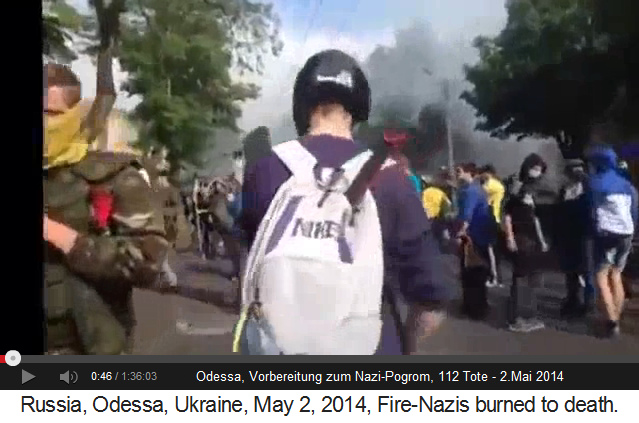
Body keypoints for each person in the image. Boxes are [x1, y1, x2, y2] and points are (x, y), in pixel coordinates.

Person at [240, 49, 449, 355]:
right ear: (359, 107)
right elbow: (430, 303)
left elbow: (251, 258)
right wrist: (408, 346)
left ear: (302, 105)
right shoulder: (392, 178)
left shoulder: (265, 170)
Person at [44, 50, 170, 355]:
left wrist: (64, 238)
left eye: (50, 114)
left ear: (75, 118)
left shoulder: (112, 176)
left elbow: (149, 262)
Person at [585, 139, 638, 338]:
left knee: (600, 275)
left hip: (607, 234)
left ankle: (611, 321)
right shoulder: (626, 184)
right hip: (627, 232)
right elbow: (634, 210)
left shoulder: (595, 182)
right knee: (616, 274)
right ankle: (615, 316)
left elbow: (591, 210)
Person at [502, 154, 550, 332]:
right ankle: (516, 319)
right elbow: (507, 214)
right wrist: (510, 237)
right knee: (520, 277)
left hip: (531, 240)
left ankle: (525, 316)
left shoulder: (532, 190)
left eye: (540, 169)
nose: (537, 172)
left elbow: (534, 218)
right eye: (534, 168)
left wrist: (542, 239)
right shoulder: (516, 188)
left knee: (529, 278)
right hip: (520, 237)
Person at [454, 162, 497, 319]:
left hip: (472, 237)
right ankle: (475, 305)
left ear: (469, 172)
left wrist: (459, 234)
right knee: (476, 272)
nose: (457, 173)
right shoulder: (476, 189)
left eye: (459, 170)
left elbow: (467, 216)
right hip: (480, 235)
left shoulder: (471, 191)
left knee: (471, 273)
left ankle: (474, 308)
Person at [556, 159, 594, 317]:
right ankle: (572, 299)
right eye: (572, 170)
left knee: (587, 269)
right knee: (570, 270)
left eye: (578, 169)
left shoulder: (589, 187)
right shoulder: (565, 189)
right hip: (569, 234)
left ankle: (588, 303)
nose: (576, 172)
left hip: (586, 234)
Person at [479, 164, 505, 287]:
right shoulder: (492, 184)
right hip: (490, 218)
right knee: (491, 251)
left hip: (491, 218)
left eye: (483, 173)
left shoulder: (492, 184)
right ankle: (494, 276)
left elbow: (479, 191)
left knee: (491, 251)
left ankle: (495, 277)